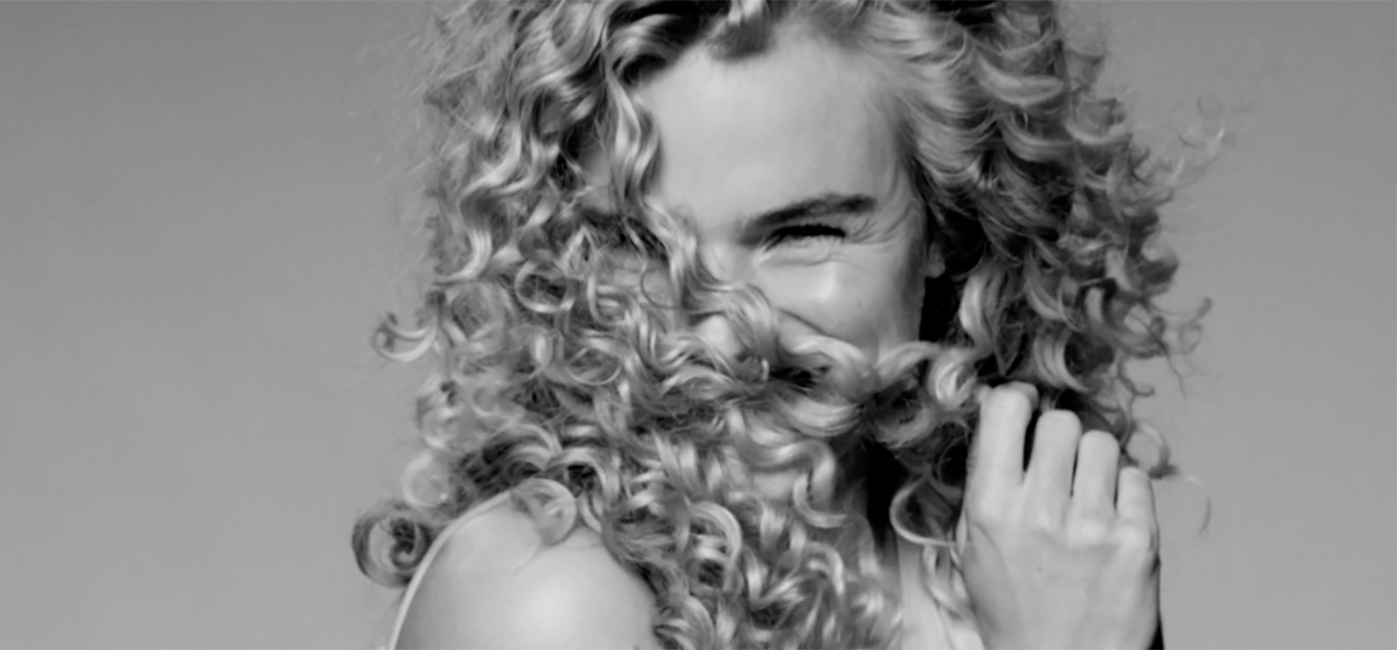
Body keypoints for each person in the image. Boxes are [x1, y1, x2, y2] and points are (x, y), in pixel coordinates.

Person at [351, 0, 1203, 648]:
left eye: (802, 235)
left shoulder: (1031, 558)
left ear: (950, 224)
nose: (720, 334)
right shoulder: (540, 598)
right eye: (642, 245)